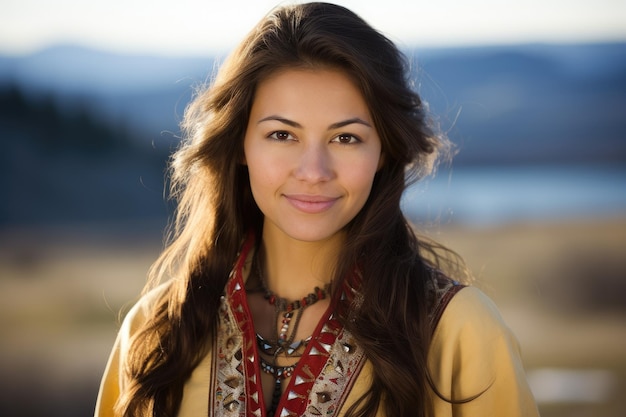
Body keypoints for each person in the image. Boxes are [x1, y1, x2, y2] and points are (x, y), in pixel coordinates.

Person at [95, 2, 539, 416]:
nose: (313, 171)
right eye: (282, 135)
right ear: (240, 145)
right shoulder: (156, 333)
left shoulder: (458, 330)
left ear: (383, 151)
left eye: (346, 138)